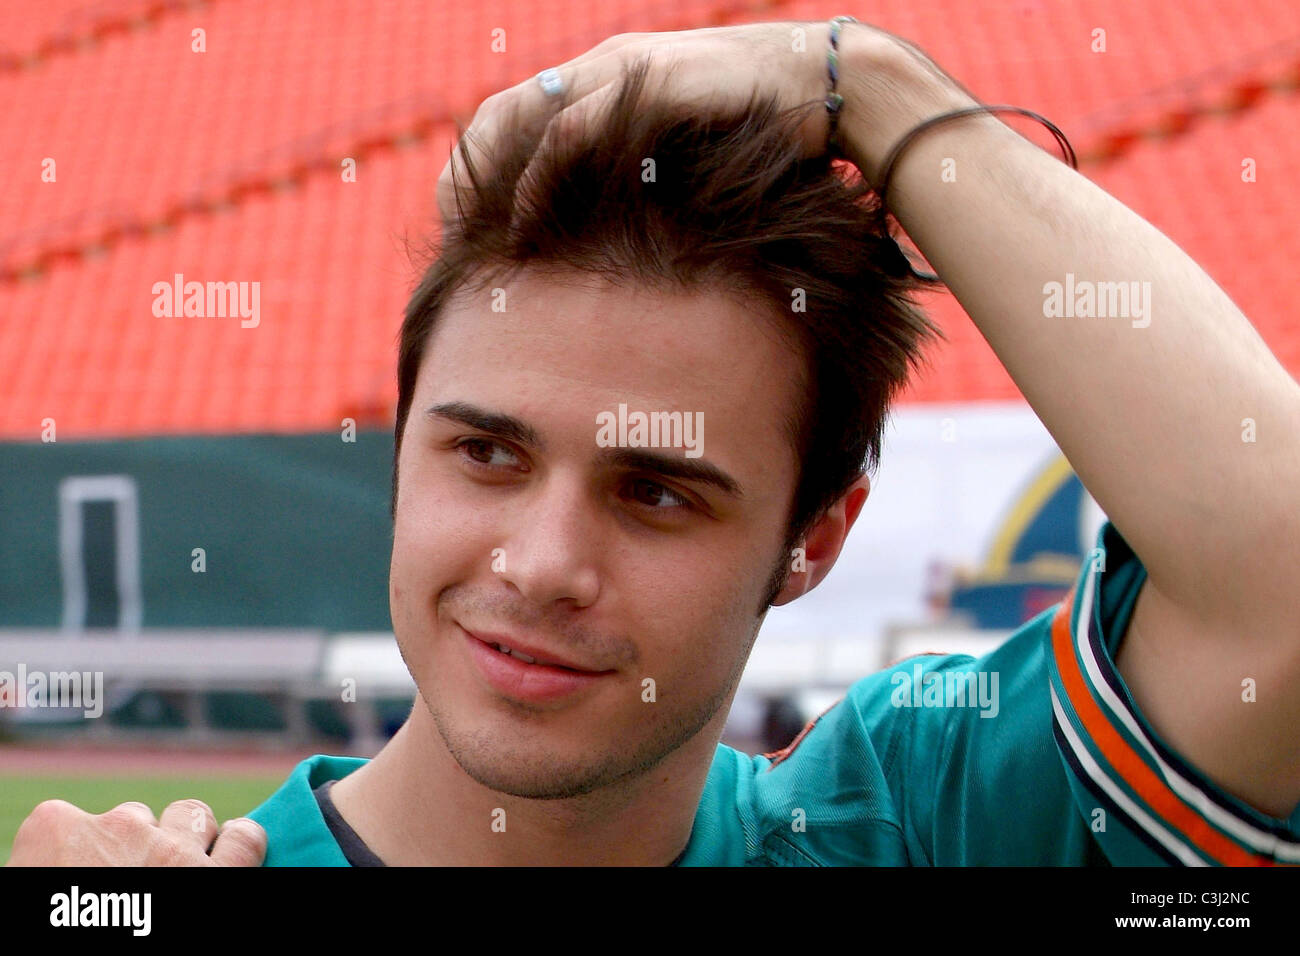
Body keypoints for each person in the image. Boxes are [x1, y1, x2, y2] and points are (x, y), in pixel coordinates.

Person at [10, 17, 1300, 866]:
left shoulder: (907, 830)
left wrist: (863, 83)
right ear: (401, 450)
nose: (541, 561)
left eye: (657, 492)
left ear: (813, 539)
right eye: (489, 454)